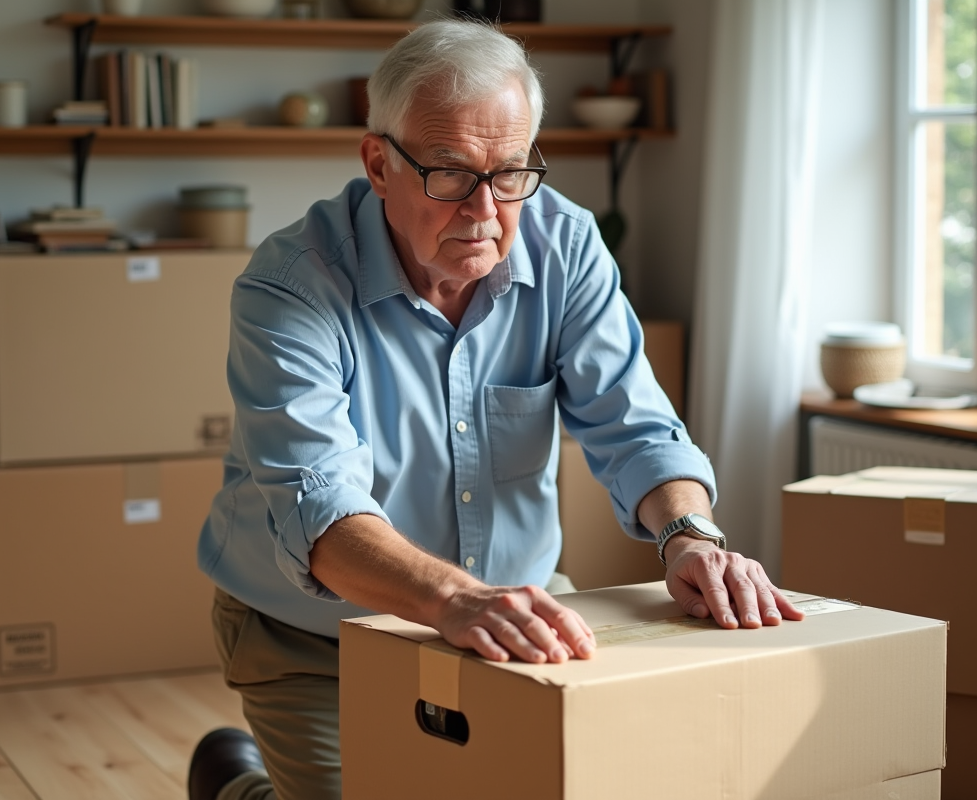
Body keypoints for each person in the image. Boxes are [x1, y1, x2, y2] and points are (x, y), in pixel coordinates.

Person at [187, 19, 804, 800]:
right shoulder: (291, 285)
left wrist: (689, 534)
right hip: (315, 638)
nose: (485, 209)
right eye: (449, 172)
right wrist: (453, 599)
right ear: (379, 163)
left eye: (510, 172)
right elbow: (320, 507)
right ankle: (234, 788)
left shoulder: (566, 247)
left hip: (505, 613)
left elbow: (635, 423)